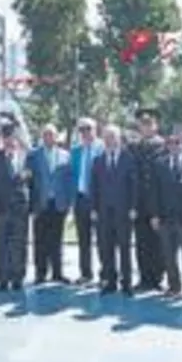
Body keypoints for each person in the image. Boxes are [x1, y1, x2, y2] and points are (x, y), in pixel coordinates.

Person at [0, 120, 31, 291]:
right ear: (3, 139)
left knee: (19, 244)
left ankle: (18, 277)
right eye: (7, 137)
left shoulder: (26, 157)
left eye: (13, 137)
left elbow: (34, 183)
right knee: (0, 244)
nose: (10, 141)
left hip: (20, 209)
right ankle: (2, 278)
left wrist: (33, 206)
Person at [90, 124, 137, 295]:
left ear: (119, 139)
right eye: (106, 137)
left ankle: (127, 282)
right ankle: (110, 281)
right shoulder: (98, 160)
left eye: (112, 137)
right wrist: (94, 208)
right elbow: (94, 187)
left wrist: (133, 207)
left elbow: (134, 185)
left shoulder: (128, 158)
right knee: (106, 247)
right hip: (103, 212)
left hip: (123, 211)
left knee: (124, 247)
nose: (109, 140)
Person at [153, 128, 182, 299]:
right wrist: (155, 215)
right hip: (165, 217)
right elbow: (154, 192)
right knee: (168, 255)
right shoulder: (159, 164)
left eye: (177, 142)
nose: (173, 146)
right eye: (170, 143)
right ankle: (174, 286)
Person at [28, 124, 72, 284]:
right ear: (42, 137)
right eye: (46, 134)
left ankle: (57, 273)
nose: (49, 137)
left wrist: (68, 203)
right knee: (40, 240)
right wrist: (32, 205)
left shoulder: (65, 156)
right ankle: (40, 273)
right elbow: (30, 182)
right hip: (41, 204)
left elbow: (68, 181)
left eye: (51, 134)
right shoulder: (33, 156)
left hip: (58, 204)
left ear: (56, 137)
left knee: (57, 240)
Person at [128, 108, 165, 291]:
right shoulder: (134, 147)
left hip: (157, 202)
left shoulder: (163, 146)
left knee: (158, 243)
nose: (146, 127)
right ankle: (144, 278)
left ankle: (157, 278)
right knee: (141, 242)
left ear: (155, 126)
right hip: (139, 203)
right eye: (143, 124)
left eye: (149, 123)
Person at [69, 117, 102, 285]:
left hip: (99, 201)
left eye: (88, 128)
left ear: (95, 130)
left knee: (103, 239)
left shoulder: (102, 148)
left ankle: (106, 275)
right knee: (83, 240)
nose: (85, 133)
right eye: (81, 130)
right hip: (80, 199)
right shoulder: (75, 151)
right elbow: (70, 176)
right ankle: (86, 273)